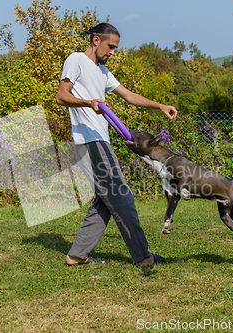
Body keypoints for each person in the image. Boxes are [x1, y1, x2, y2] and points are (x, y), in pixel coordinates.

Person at [56, 22, 178, 267]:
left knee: (106, 198)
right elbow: (61, 96)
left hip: (100, 140)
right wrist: (88, 102)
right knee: (122, 196)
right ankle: (143, 257)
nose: (113, 52)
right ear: (96, 40)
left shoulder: (102, 71)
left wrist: (160, 105)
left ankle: (77, 255)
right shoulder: (76, 59)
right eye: (111, 46)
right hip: (89, 142)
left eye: (115, 48)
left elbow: (129, 95)